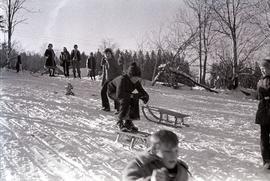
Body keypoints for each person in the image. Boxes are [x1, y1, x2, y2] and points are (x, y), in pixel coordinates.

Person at [122, 129, 190, 181]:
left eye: (176, 151)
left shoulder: (181, 171)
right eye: (167, 151)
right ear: (155, 149)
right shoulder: (139, 166)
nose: (173, 156)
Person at [107, 62, 149, 132]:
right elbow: (119, 95)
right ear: (130, 76)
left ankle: (128, 122)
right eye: (135, 78)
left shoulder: (136, 82)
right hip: (113, 92)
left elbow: (142, 91)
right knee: (126, 99)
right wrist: (132, 95)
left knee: (134, 99)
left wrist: (145, 96)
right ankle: (119, 122)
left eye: (138, 78)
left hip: (124, 93)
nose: (136, 80)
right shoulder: (122, 79)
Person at [255, 58, 270, 169]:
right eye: (261, 69)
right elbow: (258, 96)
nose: (263, 70)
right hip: (263, 110)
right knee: (264, 137)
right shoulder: (260, 81)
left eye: (265, 68)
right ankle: (266, 161)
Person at [100, 48, 122, 112]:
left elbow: (119, 71)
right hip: (108, 80)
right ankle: (106, 107)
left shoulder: (113, 61)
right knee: (103, 92)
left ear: (111, 54)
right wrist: (103, 82)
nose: (107, 55)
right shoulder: (105, 62)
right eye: (106, 54)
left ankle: (118, 109)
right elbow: (104, 73)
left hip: (114, 80)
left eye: (109, 54)